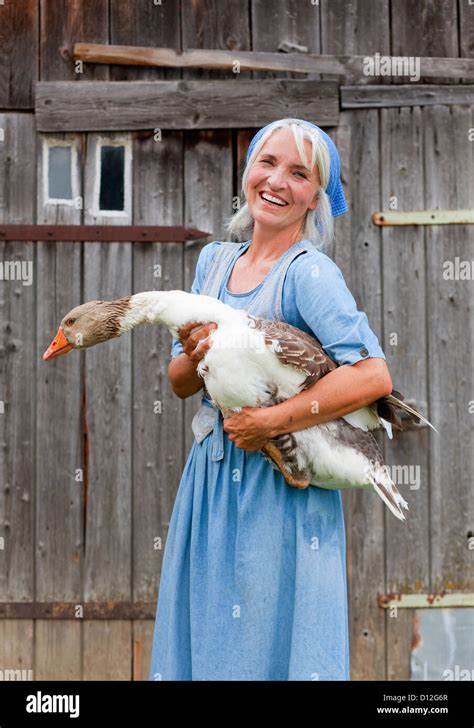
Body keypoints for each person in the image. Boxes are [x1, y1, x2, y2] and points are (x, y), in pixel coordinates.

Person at [149, 118, 392, 681]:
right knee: (209, 640)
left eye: (299, 173)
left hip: (282, 486)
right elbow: (180, 382)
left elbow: (373, 376)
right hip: (210, 478)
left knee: (269, 647)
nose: (277, 181)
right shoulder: (212, 263)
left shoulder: (309, 275)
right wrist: (193, 351)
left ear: (315, 198)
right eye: (268, 162)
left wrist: (270, 422)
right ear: (248, 170)